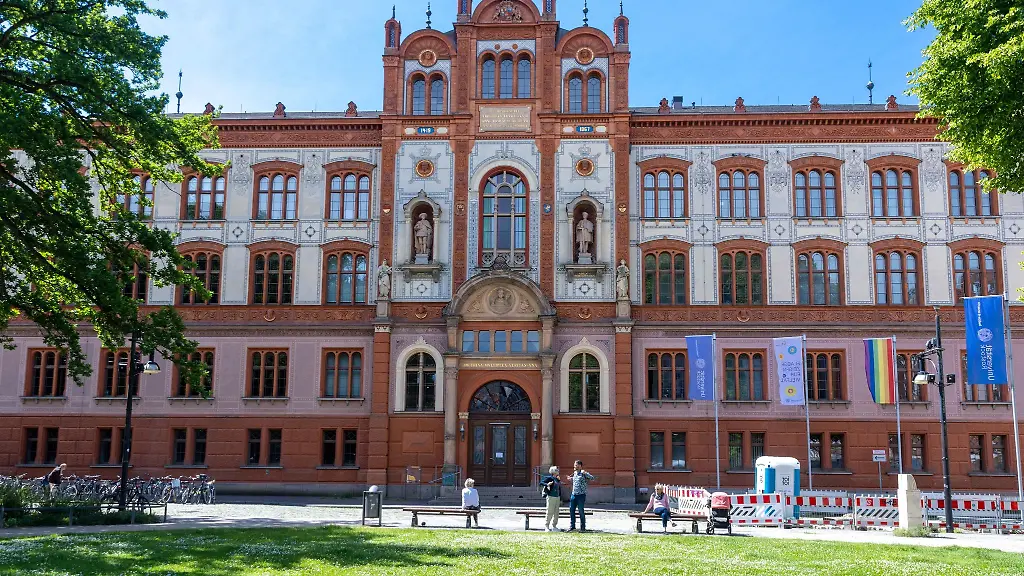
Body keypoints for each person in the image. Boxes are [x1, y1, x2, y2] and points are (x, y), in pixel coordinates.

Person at [566, 460, 595, 532]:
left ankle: (583, 527)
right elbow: (576, 480)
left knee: (580, 511)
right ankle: (572, 526)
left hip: (581, 495)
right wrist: (571, 479)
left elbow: (592, 478)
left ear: (579, 466)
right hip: (574, 494)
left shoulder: (583, 473)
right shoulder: (575, 473)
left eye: (576, 465)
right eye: (574, 465)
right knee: (571, 510)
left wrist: (586, 473)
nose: (574, 466)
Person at [540, 466, 562, 532]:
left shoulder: (557, 479)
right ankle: (546, 526)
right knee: (549, 512)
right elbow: (541, 482)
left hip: (557, 497)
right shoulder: (549, 478)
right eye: (556, 470)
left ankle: (554, 526)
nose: (558, 471)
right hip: (551, 497)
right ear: (553, 471)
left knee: (556, 513)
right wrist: (547, 484)